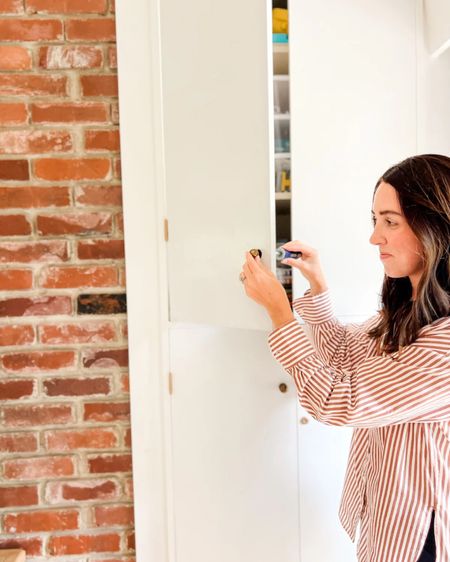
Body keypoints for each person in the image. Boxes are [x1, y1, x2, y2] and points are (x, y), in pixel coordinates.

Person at [240, 154, 450, 562]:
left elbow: (338, 400)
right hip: (385, 519)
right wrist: (317, 285)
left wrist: (280, 313)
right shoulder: (410, 313)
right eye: (374, 221)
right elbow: (343, 356)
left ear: (435, 227)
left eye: (390, 222)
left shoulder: (444, 344)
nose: (375, 237)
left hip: (417, 537)